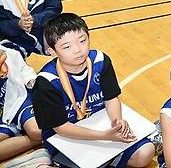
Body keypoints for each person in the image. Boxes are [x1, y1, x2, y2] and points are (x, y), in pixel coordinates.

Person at [32, 13, 155, 167]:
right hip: (67, 137)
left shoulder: (100, 61)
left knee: (146, 152)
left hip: (100, 123)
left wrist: (117, 122)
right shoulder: (46, 82)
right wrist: (104, 136)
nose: (77, 49)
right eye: (67, 46)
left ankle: (107, 159)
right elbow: (61, 128)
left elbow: (111, 98)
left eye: (82, 40)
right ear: (52, 52)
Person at [0, 46, 45, 165]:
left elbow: (24, 69)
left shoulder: (9, 52)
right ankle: (20, 132)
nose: (4, 70)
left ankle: (42, 134)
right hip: (2, 115)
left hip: (18, 101)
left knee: (36, 131)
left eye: (4, 62)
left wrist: (32, 80)